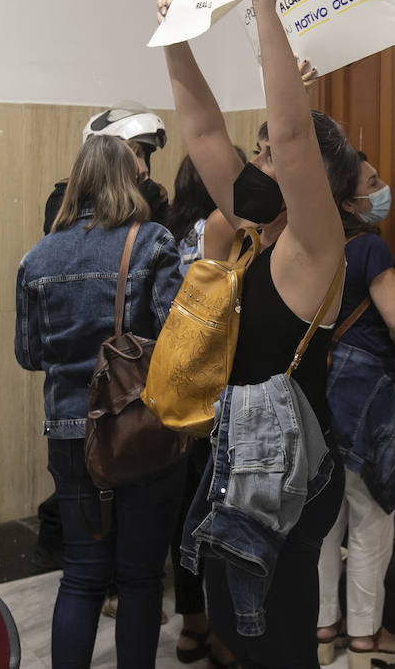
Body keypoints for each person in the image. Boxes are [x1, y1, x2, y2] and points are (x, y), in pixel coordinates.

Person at [158, 0, 361, 669]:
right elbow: (205, 135)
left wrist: (267, 9)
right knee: (248, 638)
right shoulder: (253, 227)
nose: (258, 160)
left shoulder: (314, 244)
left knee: (276, 642)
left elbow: (297, 134)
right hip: (240, 463)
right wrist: (175, 39)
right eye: (262, 150)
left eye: (270, 154)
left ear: (317, 179)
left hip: (287, 473)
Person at [15, 133, 185, 669]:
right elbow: (177, 339)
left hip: (68, 433)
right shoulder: (154, 242)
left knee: (83, 576)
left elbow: (28, 353)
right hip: (138, 429)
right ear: (130, 180)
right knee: (138, 578)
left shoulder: (38, 255)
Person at [316, 159, 395, 667]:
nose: (383, 189)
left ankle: (323, 630)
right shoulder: (370, 248)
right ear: (350, 203)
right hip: (364, 398)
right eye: (371, 185)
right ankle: (364, 639)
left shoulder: (307, 245)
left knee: (323, 520)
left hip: (316, 396)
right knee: (371, 516)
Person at [163, 149, 244, 668]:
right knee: (222, 509)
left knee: (188, 511)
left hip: (185, 386)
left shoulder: (168, 232)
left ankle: (193, 625)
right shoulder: (223, 231)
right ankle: (226, 635)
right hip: (226, 385)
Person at [43, 104, 170, 232]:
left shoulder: (151, 194)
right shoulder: (64, 198)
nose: (144, 168)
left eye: (145, 155)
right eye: (136, 154)